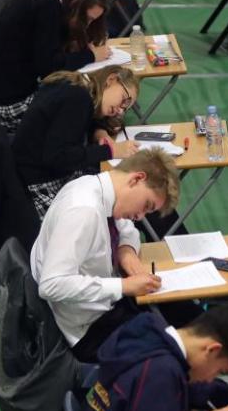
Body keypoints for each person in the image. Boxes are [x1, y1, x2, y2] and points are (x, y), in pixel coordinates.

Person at [30, 149, 181, 361]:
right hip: (88, 329)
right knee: (173, 353)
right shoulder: (84, 211)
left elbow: (127, 228)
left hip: (103, 305)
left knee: (183, 315)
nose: (140, 216)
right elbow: (51, 285)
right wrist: (124, 287)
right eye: (146, 206)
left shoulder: (97, 187)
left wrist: (126, 250)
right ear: (137, 179)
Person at [83, 306, 228, 411]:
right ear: (212, 349)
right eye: (220, 371)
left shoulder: (149, 330)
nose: (212, 378)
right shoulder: (160, 372)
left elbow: (189, 386)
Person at [0, 0, 111, 132]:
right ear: (75, 4)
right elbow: (50, 69)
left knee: (81, 97)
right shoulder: (47, 5)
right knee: (83, 103)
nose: (87, 25)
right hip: (8, 106)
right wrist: (90, 55)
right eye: (87, 19)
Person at [12, 66, 140, 219]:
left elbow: (71, 124)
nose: (120, 110)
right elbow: (57, 157)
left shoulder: (75, 85)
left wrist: (98, 131)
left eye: (126, 108)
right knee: (116, 196)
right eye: (124, 100)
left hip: (29, 175)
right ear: (111, 80)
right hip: (37, 187)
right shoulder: (79, 99)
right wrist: (111, 151)